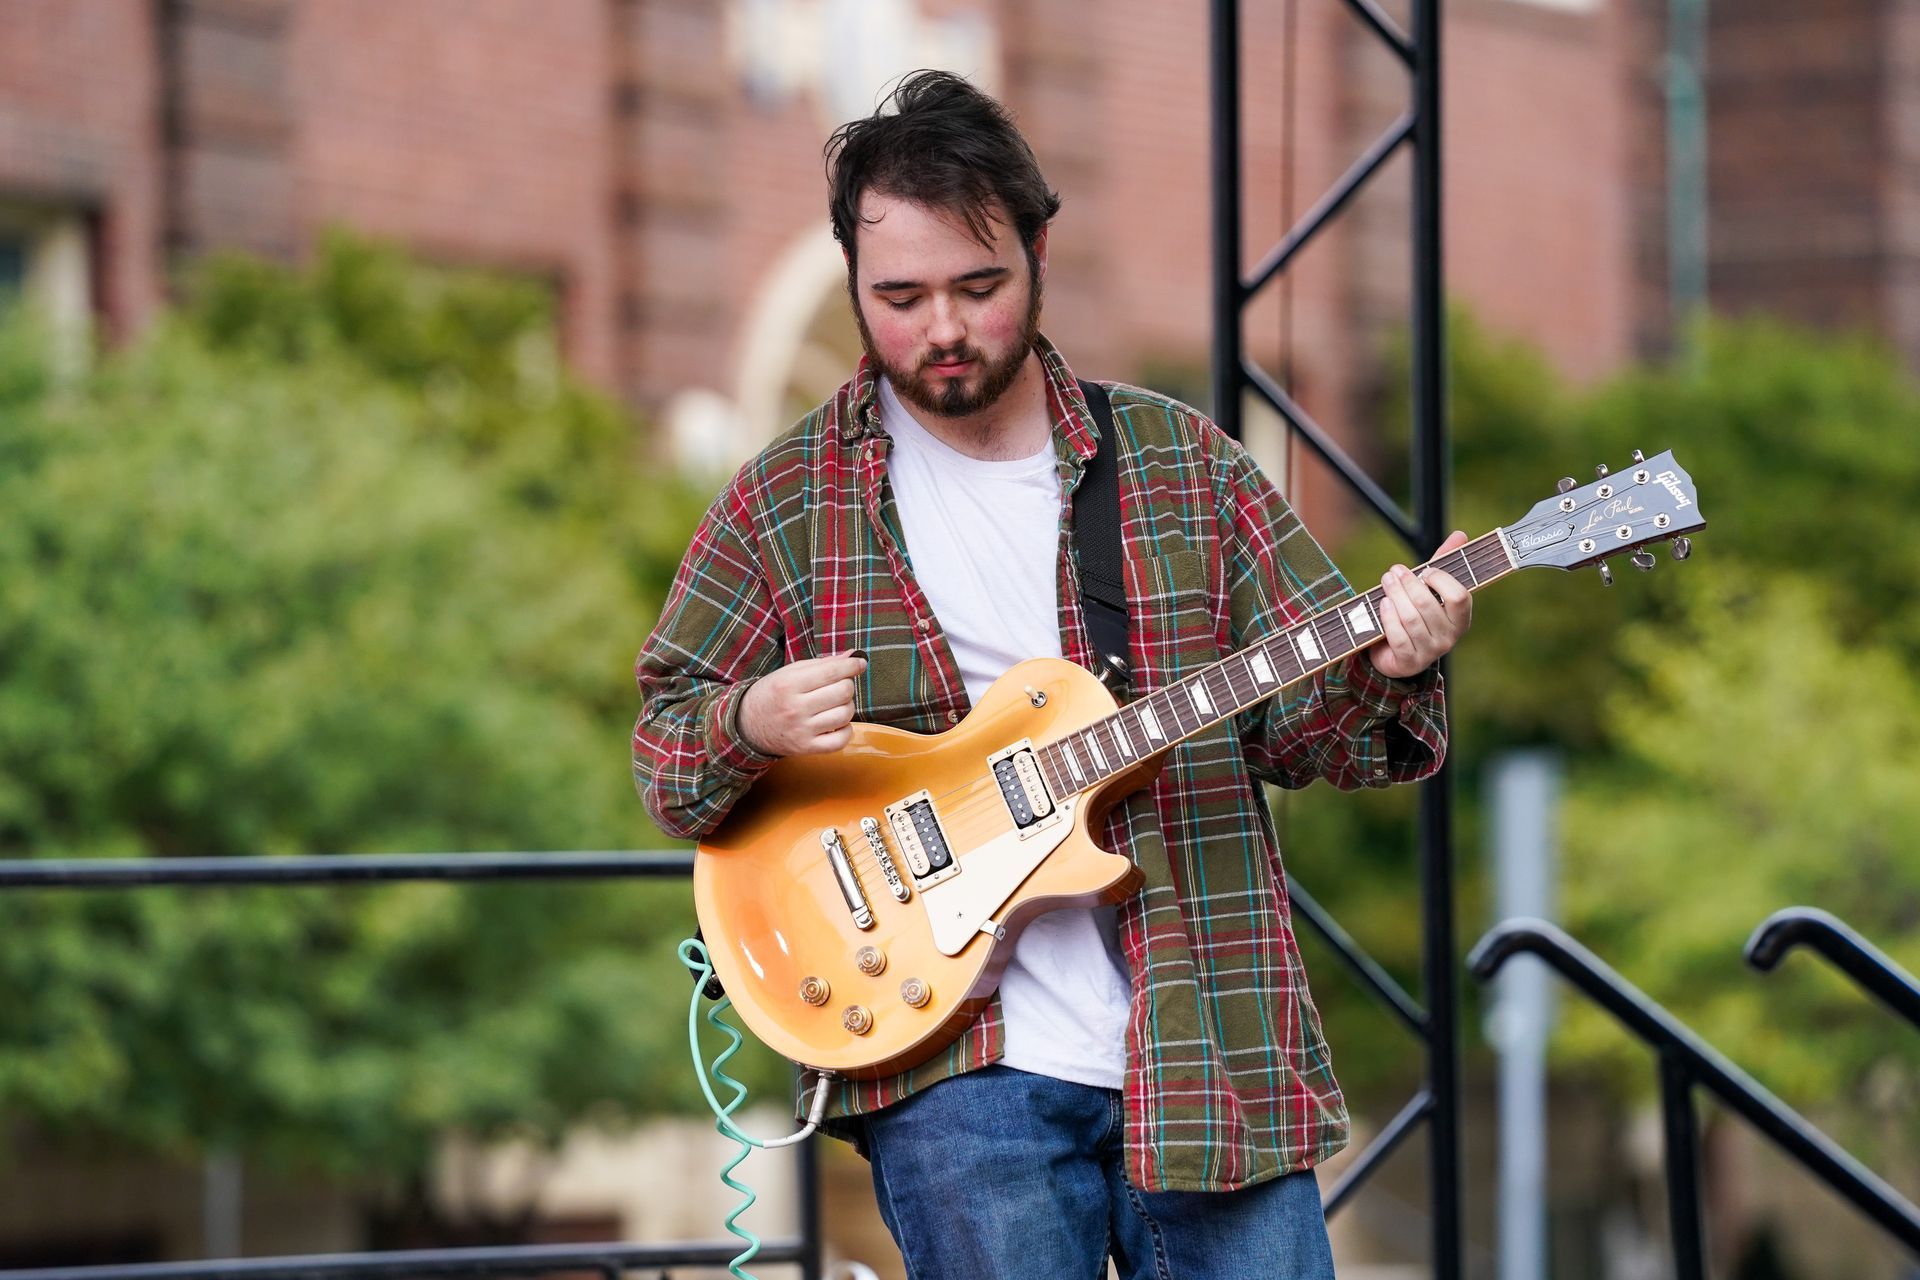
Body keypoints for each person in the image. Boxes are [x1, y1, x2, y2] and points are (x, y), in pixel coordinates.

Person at [633, 70, 1470, 1280]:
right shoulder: (786, 498)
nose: (944, 329)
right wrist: (750, 718)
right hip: (955, 1073)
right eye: (900, 297)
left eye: (978, 286)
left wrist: (1392, 665)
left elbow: (1311, 735)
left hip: (1207, 1038)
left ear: (1037, 249)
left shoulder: (1184, 465)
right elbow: (666, 749)